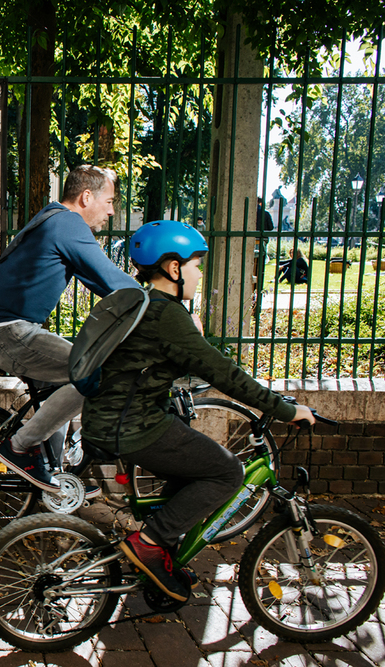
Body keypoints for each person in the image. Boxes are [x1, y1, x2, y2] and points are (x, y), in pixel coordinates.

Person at [79, 219, 315, 602]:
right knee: (227, 472)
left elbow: (160, 360)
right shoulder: (167, 315)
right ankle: (150, 544)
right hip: (134, 426)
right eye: (196, 265)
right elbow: (225, 373)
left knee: (189, 478)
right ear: (174, 268)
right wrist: (287, 409)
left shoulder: (144, 303)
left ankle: (159, 569)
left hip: (110, 420)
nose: (199, 273)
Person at [0, 165, 139, 493]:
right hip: (5, 331)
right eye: (109, 201)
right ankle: (19, 446)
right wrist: (169, 307)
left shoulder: (54, 219)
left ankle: (54, 480)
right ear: (87, 196)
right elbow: (113, 280)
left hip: (1, 328)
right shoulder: (68, 224)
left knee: (60, 390)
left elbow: (105, 285)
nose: (112, 211)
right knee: (92, 375)